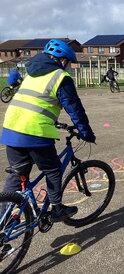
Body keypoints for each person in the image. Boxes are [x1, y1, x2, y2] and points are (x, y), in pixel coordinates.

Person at [0, 39, 96, 222]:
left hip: (11, 129)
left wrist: (54, 120)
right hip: (34, 132)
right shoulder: (60, 77)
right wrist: (86, 133)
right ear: (62, 60)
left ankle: (2, 220)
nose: (68, 68)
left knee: (17, 174)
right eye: (68, 63)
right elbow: (75, 108)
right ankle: (57, 209)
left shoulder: (31, 74)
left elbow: (36, 102)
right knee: (53, 170)